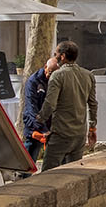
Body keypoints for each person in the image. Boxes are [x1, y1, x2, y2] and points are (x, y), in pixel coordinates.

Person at [36, 41, 98, 169]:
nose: (55, 56)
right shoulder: (88, 75)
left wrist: (39, 121)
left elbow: (50, 104)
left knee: (48, 173)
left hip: (61, 133)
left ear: (62, 56)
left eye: (56, 54)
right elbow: (93, 104)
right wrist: (92, 128)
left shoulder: (57, 76)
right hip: (79, 133)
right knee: (73, 173)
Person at [19, 54, 58, 167]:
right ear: (45, 67)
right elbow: (31, 107)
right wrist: (41, 128)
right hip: (34, 125)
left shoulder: (56, 80)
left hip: (50, 125)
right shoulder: (33, 81)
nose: (50, 76)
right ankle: (22, 178)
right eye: (49, 72)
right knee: (29, 160)